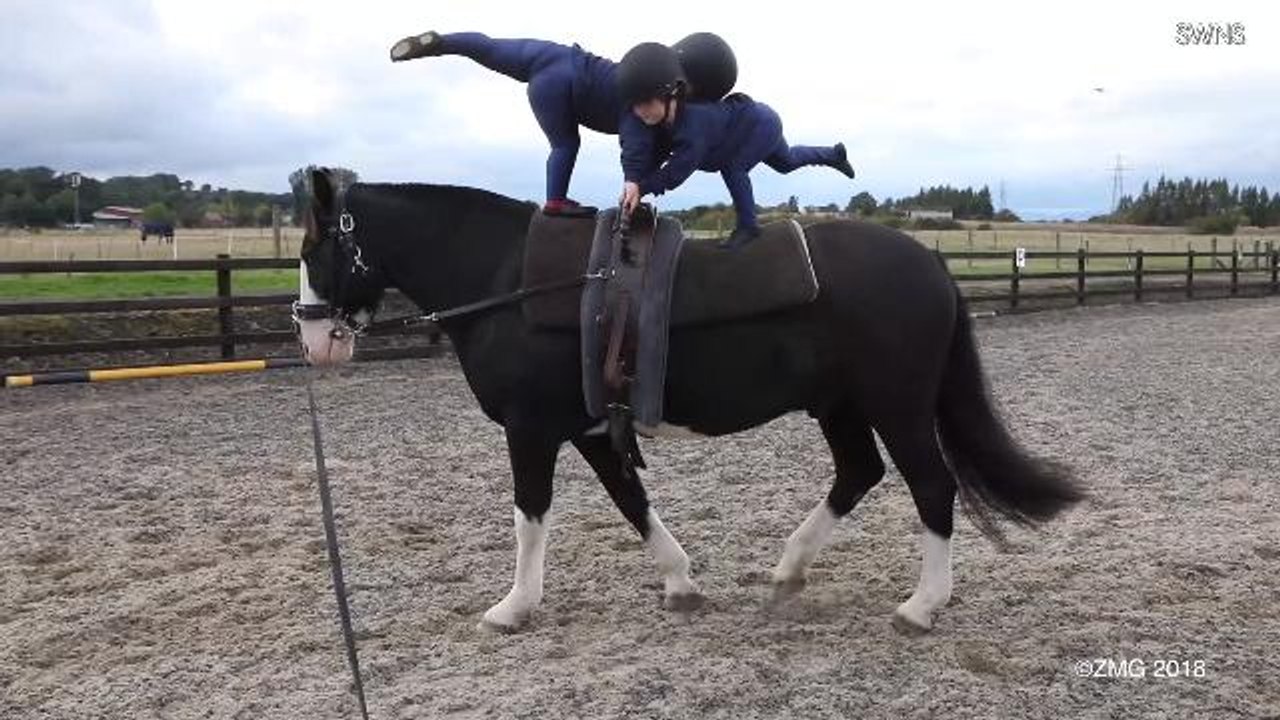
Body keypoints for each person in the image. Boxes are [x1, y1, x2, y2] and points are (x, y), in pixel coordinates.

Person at [615, 42, 856, 249]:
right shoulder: (668, 120)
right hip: (757, 123)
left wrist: (643, 188)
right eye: (634, 104)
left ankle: (749, 226)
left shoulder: (693, 126)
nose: (638, 111)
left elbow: (676, 171)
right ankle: (834, 155)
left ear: (670, 95)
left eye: (645, 102)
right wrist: (634, 180)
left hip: (760, 125)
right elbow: (657, 153)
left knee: (734, 168)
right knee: (787, 162)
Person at [390, 31, 620, 216]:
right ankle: (556, 201)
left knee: (490, 48)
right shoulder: (643, 106)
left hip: (552, 59)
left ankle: (443, 42)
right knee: (565, 145)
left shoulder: (626, 74)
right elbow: (636, 149)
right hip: (565, 88)